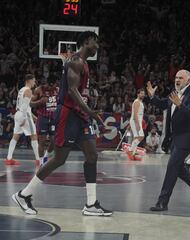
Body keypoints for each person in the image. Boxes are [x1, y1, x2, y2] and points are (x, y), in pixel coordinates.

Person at [12, 31, 112, 216]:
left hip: (79, 114)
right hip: (68, 114)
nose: (98, 46)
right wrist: (89, 111)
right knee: (59, 159)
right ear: (86, 42)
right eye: (95, 42)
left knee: (92, 156)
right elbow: (73, 91)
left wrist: (87, 112)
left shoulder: (84, 63)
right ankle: (24, 194)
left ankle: (91, 204)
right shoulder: (75, 61)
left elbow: (79, 93)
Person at [146, 70, 190, 211]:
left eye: (181, 78)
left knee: (171, 168)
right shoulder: (175, 92)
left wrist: (181, 105)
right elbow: (164, 104)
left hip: (187, 137)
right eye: (176, 77)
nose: (177, 80)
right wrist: (152, 97)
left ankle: (162, 203)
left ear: (188, 81)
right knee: (179, 169)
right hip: (177, 137)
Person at [4, 74, 40, 166]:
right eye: (34, 80)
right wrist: (24, 118)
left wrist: (34, 117)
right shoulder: (28, 91)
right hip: (24, 115)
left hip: (18, 114)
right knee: (34, 136)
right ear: (29, 80)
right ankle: (38, 160)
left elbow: (25, 106)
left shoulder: (21, 90)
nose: (34, 82)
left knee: (15, 136)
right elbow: (25, 108)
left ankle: (9, 158)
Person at [31, 76, 59, 165]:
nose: (55, 86)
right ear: (50, 84)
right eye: (53, 85)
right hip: (43, 118)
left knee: (54, 140)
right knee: (42, 141)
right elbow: (30, 103)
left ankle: (46, 155)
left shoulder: (57, 89)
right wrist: (40, 102)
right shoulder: (39, 90)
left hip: (54, 118)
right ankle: (41, 161)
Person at [126, 89, 145, 161]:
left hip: (136, 121)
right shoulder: (137, 102)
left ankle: (132, 152)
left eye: (143, 94)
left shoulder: (140, 102)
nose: (143, 95)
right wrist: (138, 124)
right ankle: (130, 150)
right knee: (141, 136)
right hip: (135, 121)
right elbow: (135, 114)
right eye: (141, 93)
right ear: (138, 94)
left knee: (136, 137)